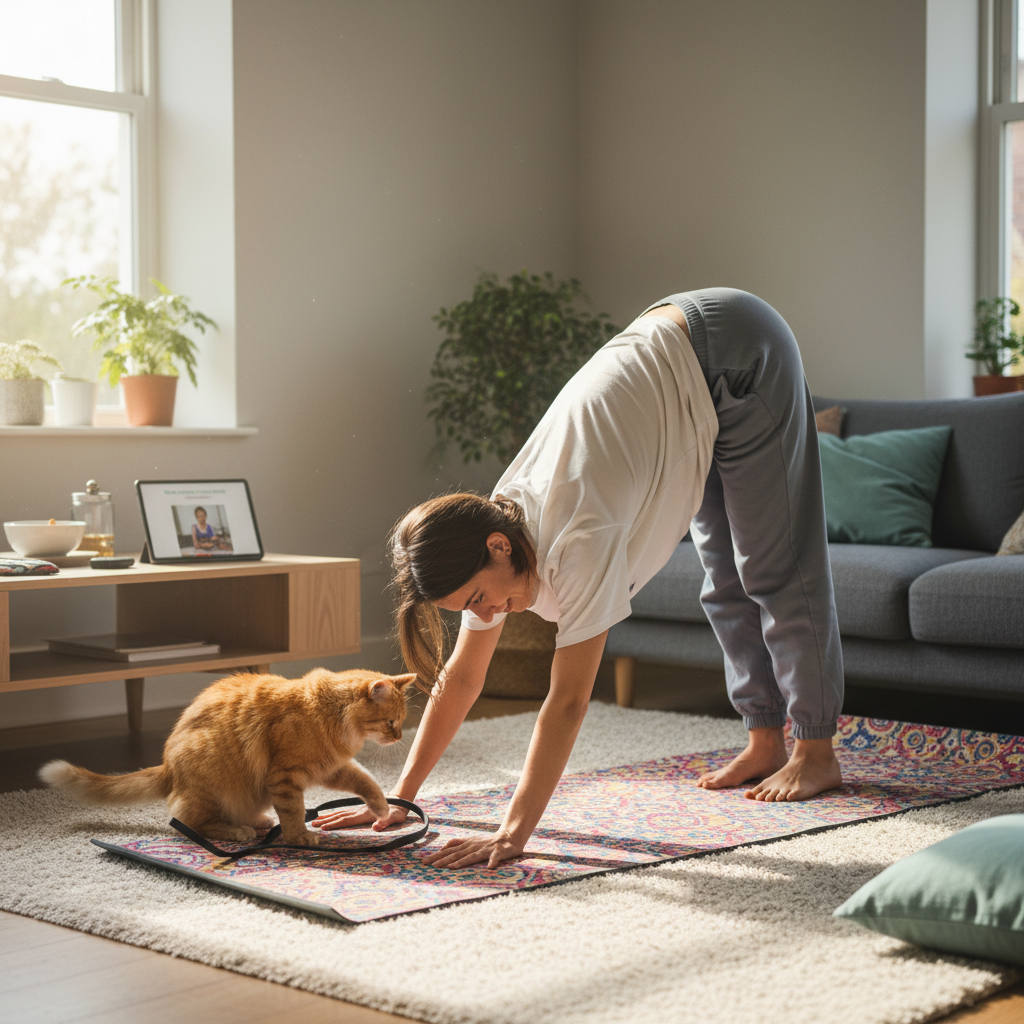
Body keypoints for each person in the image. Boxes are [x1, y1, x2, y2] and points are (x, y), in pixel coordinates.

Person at [313, 287, 844, 869]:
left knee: (773, 567)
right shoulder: (489, 534)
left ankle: (816, 749)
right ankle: (765, 741)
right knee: (722, 575)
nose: (486, 615)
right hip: (677, 365)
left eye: (478, 600)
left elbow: (566, 702)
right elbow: (464, 678)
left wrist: (511, 835)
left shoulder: (577, 539)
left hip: (735, 349)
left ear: (498, 549)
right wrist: (399, 797)